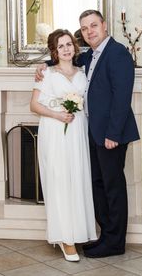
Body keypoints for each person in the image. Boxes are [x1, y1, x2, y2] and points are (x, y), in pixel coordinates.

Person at [36, 10, 139, 258]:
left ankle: (115, 243)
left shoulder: (118, 54)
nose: (89, 31)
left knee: (112, 187)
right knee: (97, 184)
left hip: (111, 135)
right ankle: (106, 236)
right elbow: (67, 63)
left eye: (93, 25)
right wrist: (45, 65)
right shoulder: (91, 56)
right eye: (84, 28)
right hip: (92, 134)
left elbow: (122, 98)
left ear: (104, 25)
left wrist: (113, 134)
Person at [30, 29, 97, 262]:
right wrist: (58, 116)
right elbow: (34, 105)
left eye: (69, 44)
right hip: (56, 131)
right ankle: (64, 238)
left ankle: (77, 231)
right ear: (54, 51)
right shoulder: (46, 73)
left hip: (77, 131)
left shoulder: (83, 71)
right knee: (59, 180)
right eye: (61, 46)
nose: (67, 49)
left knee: (76, 179)